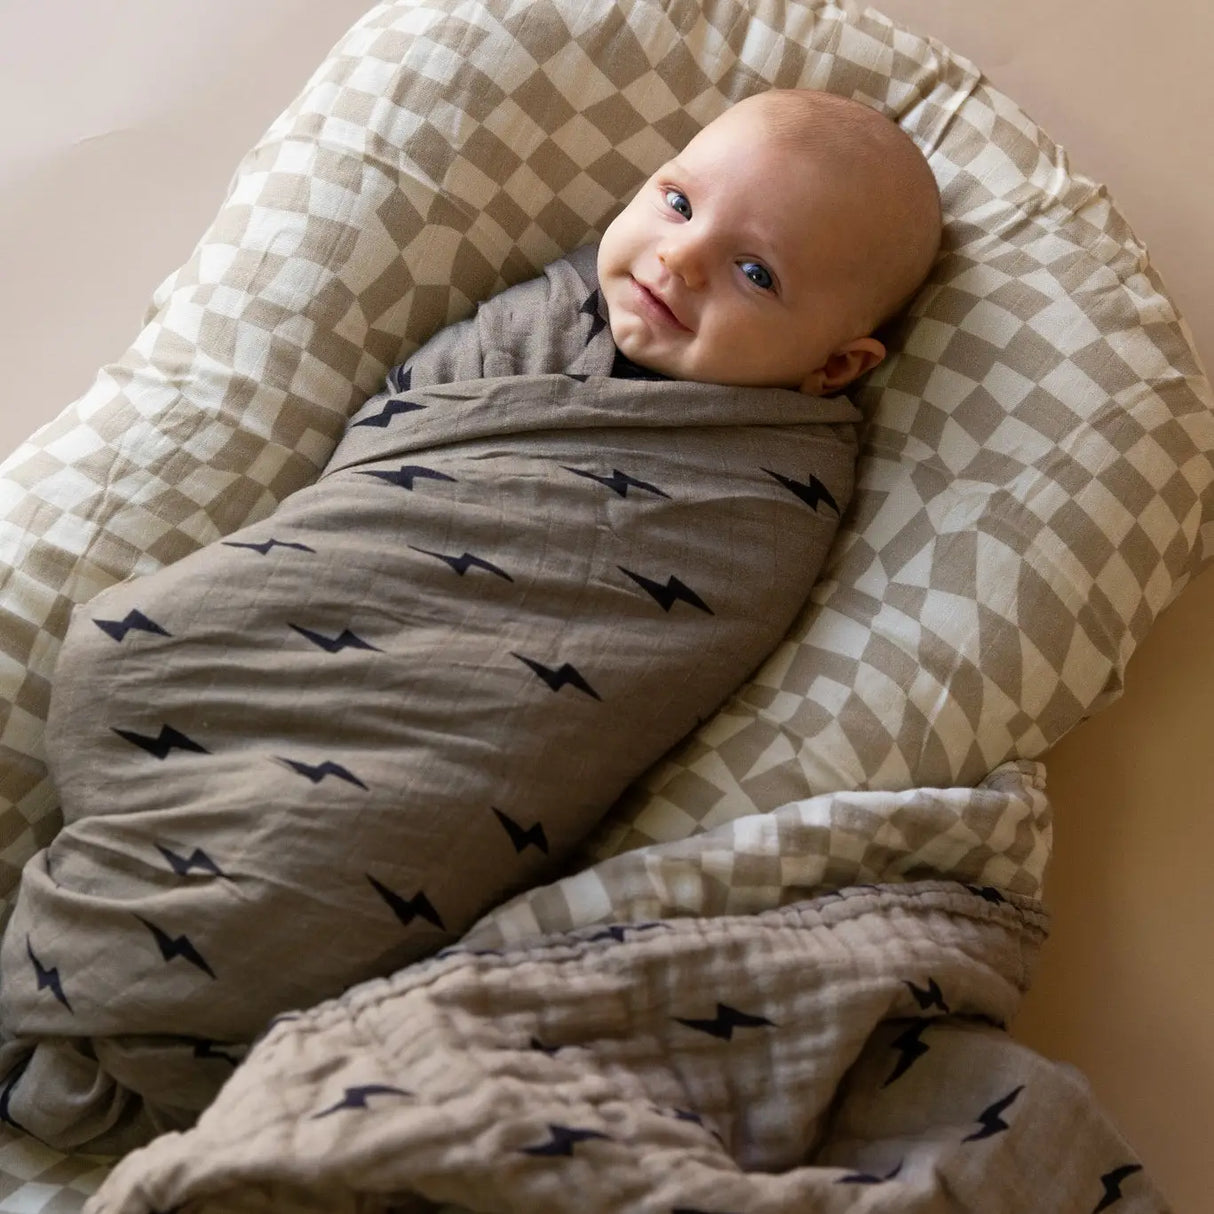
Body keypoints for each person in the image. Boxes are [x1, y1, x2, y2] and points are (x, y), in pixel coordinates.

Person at [0, 89, 941, 1153]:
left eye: (755, 272)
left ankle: (114, 1010)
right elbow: (391, 451)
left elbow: (649, 649)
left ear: (833, 366)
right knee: (129, 651)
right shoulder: (546, 315)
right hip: (323, 616)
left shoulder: (768, 491)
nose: (679, 261)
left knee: (325, 848)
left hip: (443, 748)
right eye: (675, 203)